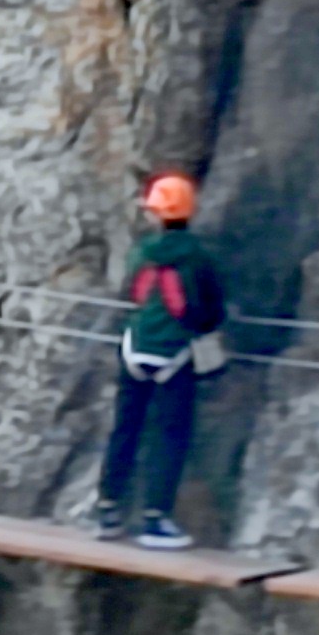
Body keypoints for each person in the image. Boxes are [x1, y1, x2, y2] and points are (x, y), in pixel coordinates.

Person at [95, 171, 226, 552]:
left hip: (134, 348)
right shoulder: (199, 257)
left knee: (126, 428)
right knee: (168, 436)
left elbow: (131, 294)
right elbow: (209, 310)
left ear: (156, 214)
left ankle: (107, 509)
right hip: (174, 356)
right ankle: (155, 518)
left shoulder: (141, 253)